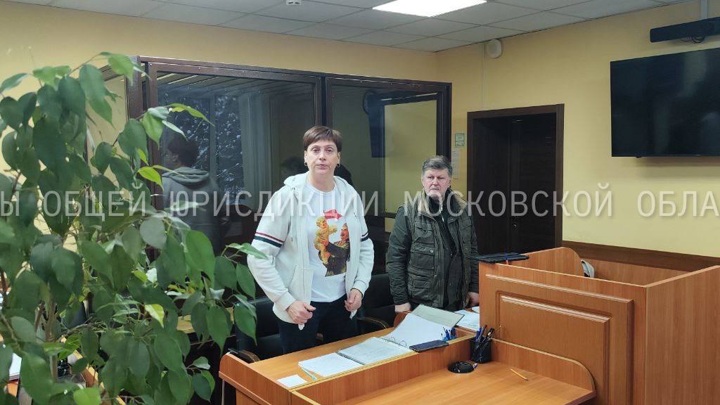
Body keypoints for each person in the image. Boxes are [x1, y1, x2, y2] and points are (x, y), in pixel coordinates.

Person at [247, 125, 374, 354]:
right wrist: (286, 302)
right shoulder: (287, 197)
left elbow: (365, 246)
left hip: (343, 303)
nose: (322, 156)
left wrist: (360, 286)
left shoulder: (350, 196)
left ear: (338, 158)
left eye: (329, 150)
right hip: (302, 307)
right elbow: (258, 256)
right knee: (299, 370)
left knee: (345, 368)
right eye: (315, 150)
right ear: (306, 157)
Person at [386, 155, 479, 313]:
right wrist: (400, 300)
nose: (435, 182)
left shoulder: (463, 211)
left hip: (457, 301)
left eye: (440, 178)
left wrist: (474, 287)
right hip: (422, 302)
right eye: (430, 177)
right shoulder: (408, 212)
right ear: (423, 180)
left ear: (449, 181)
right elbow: (395, 259)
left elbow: (472, 252)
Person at [162, 136, 228, 254]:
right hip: (208, 252)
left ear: (175, 157)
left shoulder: (163, 184)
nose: (164, 157)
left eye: (166, 154)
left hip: (177, 254)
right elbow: (224, 220)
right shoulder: (211, 183)